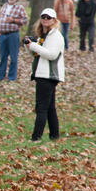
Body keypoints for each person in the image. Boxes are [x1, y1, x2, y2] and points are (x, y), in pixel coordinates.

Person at [24, 8, 64, 142]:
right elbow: (37, 55)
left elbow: (51, 55)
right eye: (43, 17)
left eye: (49, 17)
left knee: (41, 108)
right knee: (50, 108)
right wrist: (30, 46)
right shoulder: (43, 36)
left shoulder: (56, 36)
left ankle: (36, 137)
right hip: (42, 74)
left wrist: (34, 46)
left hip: (48, 75)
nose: (46, 19)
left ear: (54, 20)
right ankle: (54, 135)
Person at [0, 0, 28, 81]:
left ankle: (11, 77)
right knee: (3, 57)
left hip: (13, 35)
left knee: (13, 57)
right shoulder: (4, 6)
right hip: (2, 35)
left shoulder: (19, 7)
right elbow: (0, 19)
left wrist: (14, 20)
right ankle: (0, 76)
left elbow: (25, 20)